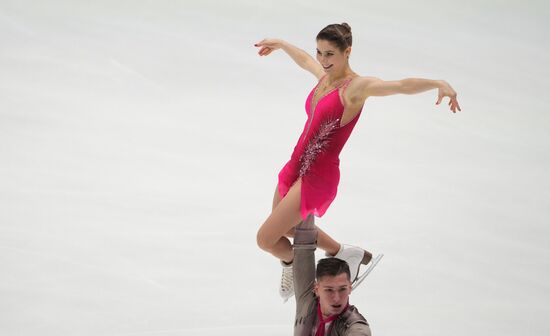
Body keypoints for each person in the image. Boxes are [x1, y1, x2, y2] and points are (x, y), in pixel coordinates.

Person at [254, 23, 461, 301]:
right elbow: (305, 60)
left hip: (318, 174)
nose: (323, 61)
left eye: (330, 54)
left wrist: (438, 83)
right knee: (287, 227)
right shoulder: (324, 79)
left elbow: (398, 85)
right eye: (320, 52)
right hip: (296, 164)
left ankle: (295, 266)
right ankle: (343, 251)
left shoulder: (356, 88)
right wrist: (281, 44)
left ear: (347, 52)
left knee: (265, 239)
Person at [293, 215, 371, 336]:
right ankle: (288, 262)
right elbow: (303, 244)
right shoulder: (307, 298)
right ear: (316, 289)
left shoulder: (354, 324)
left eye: (342, 289)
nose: (336, 298)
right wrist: (306, 202)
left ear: (350, 287)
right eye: (329, 290)